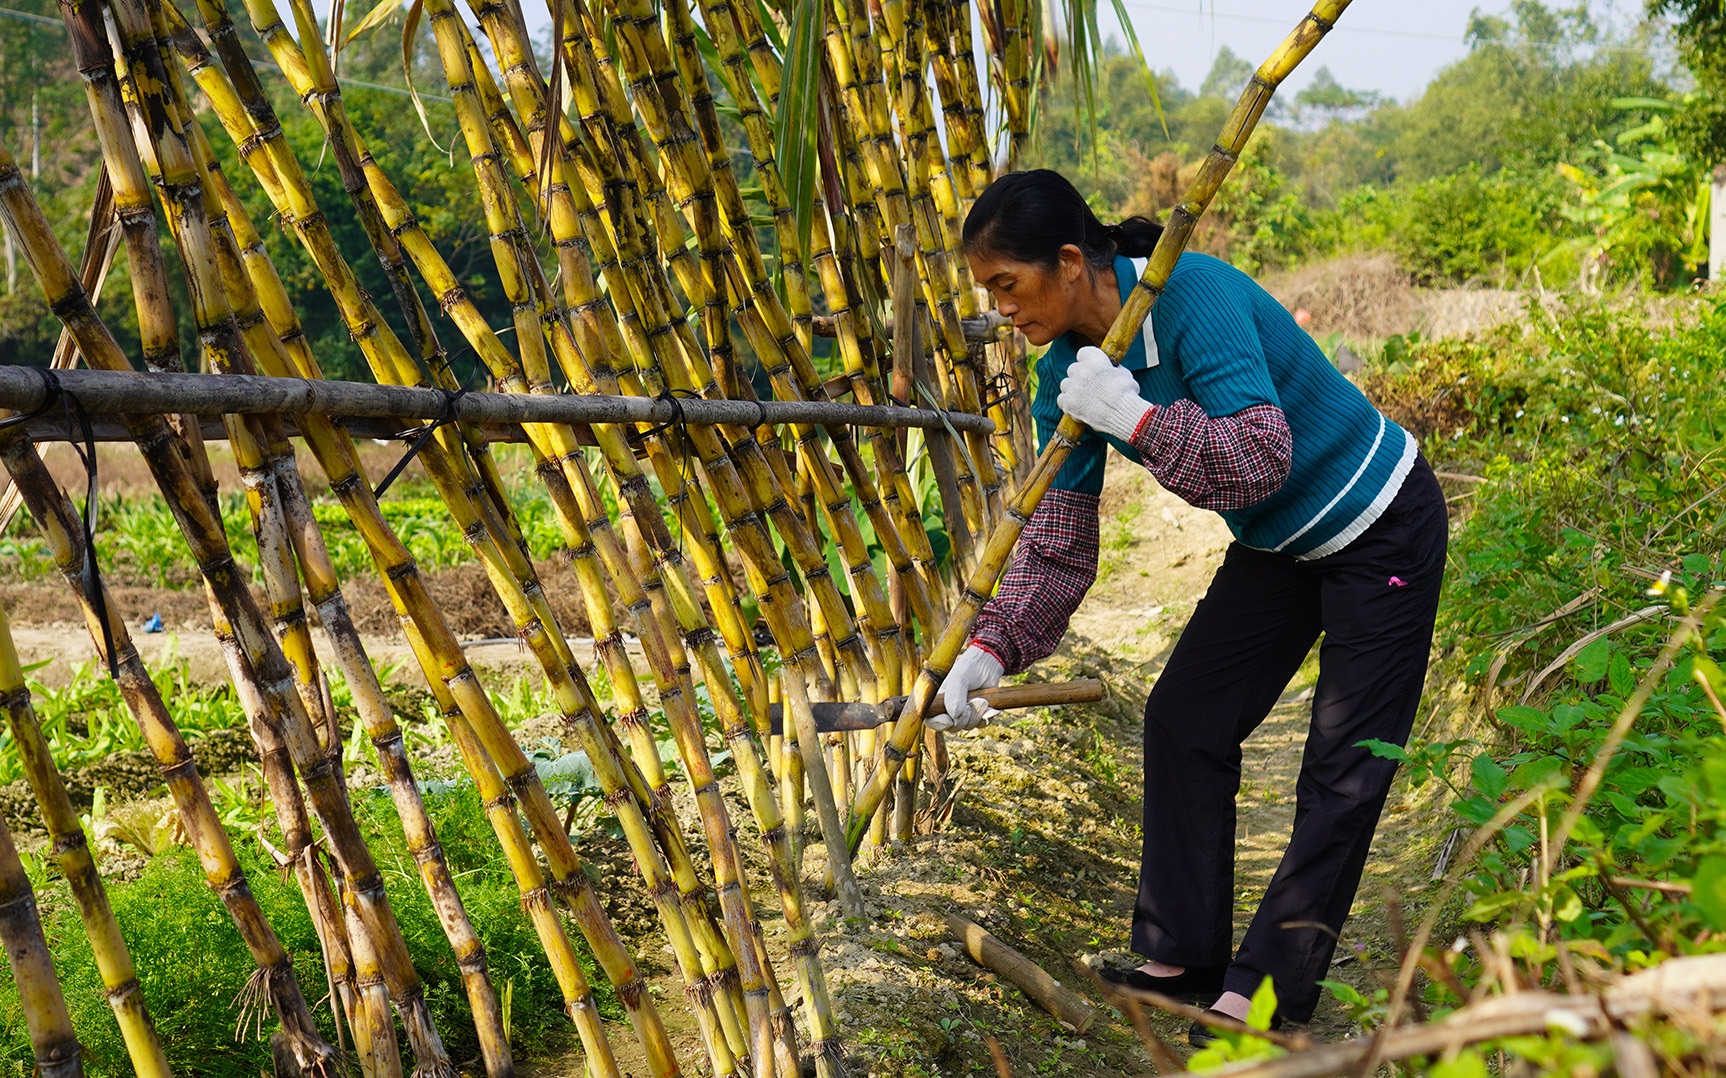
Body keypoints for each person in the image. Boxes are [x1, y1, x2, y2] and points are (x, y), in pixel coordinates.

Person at [934, 169, 1447, 1041]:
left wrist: (1133, 419)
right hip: (1278, 545)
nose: (1000, 311)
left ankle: (1271, 993)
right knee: (1184, 717)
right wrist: (991, 647)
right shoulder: (1064, 371)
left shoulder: (1194, 295)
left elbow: (1259, 458)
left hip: (1377, 521)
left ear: (1068, 261)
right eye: (988, 292)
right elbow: (1059, 540)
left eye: (1006, 286)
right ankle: (1184, 953)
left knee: (1342, 767)